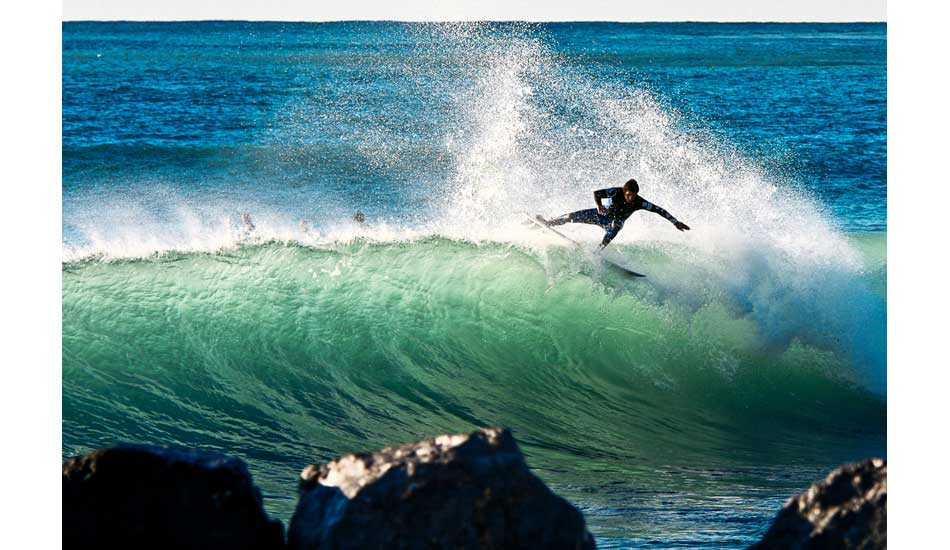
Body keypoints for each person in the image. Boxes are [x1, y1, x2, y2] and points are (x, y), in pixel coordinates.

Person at [538, 178, 690, 249]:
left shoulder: (640, 203)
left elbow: (659, 210)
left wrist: (675, 222)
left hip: (614, 222)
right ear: (624, 192)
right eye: (628, 195)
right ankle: (548, 223)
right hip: (600, 215)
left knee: (616, 226)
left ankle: (598, 251)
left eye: (633, 195)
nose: (631, 198)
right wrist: (599, 206)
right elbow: (597, 193)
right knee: (570, 217)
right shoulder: (616, 192)